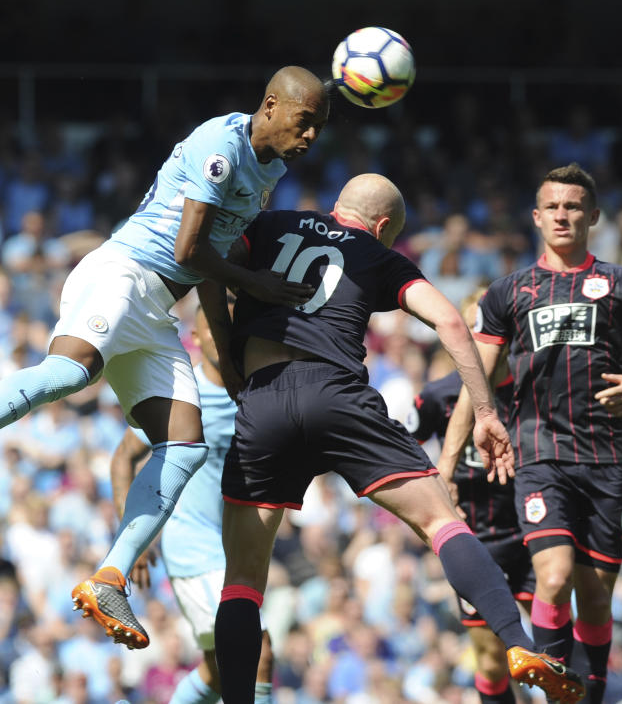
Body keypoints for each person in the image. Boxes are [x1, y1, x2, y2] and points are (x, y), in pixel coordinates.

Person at [0, 66, 331, 649]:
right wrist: (257, 284)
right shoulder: (219, 145)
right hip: (121, 274)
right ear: (271, 106)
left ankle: (110, 577)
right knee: (71, 372)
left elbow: (206, 266)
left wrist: (227, 362)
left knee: (185, 445)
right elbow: (189, 248)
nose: (309, 139)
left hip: (156, 309)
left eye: (318, 129)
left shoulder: (268, 168)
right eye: (304, 123)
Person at [212, 174, 585, 704]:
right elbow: (452, 324)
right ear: (383, 226)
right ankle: (520, 644)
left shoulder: (272, 224)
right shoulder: (376, 254)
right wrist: (483, 411)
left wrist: (225, 349)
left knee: (243, 579)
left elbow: (208, 260)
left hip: (263, 398)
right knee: (440, 522)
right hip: (336, 395)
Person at [439, 163, 622, 704]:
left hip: (605, 458)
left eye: (573, 206)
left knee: (595, 601)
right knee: (552, 577)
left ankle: (588, 694)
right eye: (552, 206)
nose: (562, 215)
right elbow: (472, 380)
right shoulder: (508, 292)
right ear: (536, 217)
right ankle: (556, 692)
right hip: (539, 454)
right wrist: (448, 462)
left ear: (592, 216)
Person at [110, 303, 275, 704]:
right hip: (193, 545)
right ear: (196, 338)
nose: (223, 336)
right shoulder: (186, 397)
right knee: (259, 652)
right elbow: (123, 458)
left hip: (232, 548)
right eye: (214, 328)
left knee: (218, 672)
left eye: (229, 328)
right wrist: (134, 535)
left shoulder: (257, 395)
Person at [407, 288, 534, 704]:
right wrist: (438, 492)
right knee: (492, 661)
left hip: (534, 531)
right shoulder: (438, 395)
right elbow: (403, 446)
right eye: (475, 325)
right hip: (477, 540)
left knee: (550, 639)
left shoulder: (533, 384)